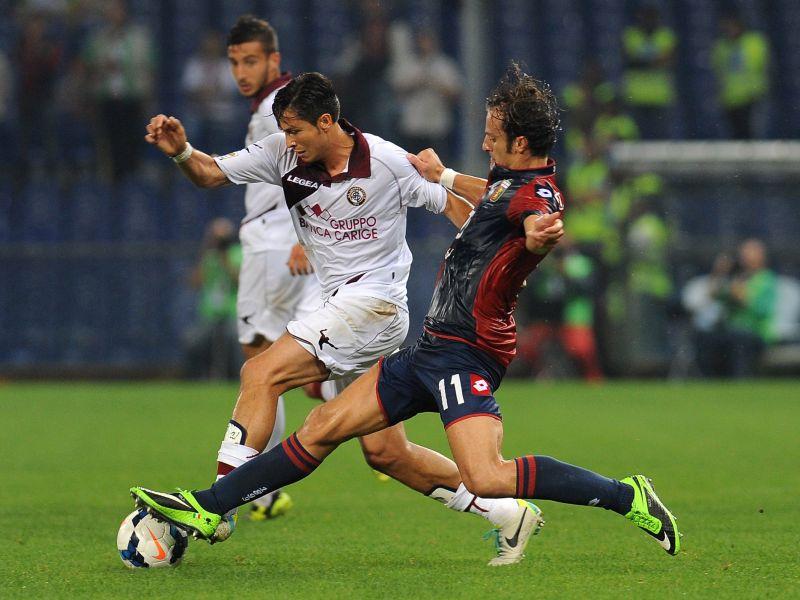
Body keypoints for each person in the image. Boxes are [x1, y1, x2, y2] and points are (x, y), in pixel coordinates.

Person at [131, 64, 681, 560]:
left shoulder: (537, 194)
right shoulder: (504, 184)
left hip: (469, 352)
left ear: (518, 141)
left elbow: (536, 214)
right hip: (431, 345)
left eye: (492, 139)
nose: (485, 147)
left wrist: (538, 236)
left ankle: (624, 494)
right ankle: (206, 504)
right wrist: (443, 176)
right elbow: (489, 194)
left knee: (486, 474)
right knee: (328, 429)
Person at [183, 218, 242, 380]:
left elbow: (239, 281)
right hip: (210, 312)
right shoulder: (209, 256)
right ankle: (195, 379)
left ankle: (236, 378)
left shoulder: (237, 253)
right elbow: (194, 282)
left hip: (231, 310)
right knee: (194, 341)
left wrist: (225, 258)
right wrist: (205, 253)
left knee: (234, 341)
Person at [711, 11, 770, 139]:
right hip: (730, 99)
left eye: (732, 26)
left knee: (753, 133)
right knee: (736, 136)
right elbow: (718, 71)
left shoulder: (754, 42)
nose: (730, 30)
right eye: (727, 27)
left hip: (752, 96)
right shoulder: (721, 46)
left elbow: (763, 66)